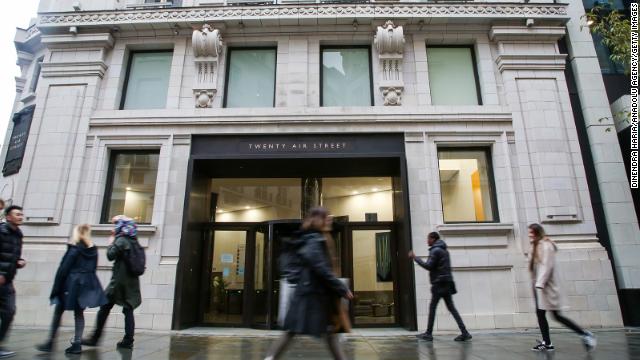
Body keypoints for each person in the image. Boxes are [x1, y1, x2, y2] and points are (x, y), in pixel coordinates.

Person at [265, 207, 354, 360]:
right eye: (327, 217)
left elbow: (323, 268)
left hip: (315, 295)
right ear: (318, 219)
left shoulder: (318, 238)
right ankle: (270, 358)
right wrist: (341, 288)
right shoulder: (314, 240)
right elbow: (321, 268)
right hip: (310, 296)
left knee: (329, 333)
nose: (330, 219)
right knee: (294, 331)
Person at [36, 224, 107, 354]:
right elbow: (93, 268)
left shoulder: (74, 249)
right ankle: (77, 343)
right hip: (87, 283)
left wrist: (56, 289)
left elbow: (63, 270)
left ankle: (50, 342)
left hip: (71, 284)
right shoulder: (93, 250)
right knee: (79, 313)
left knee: (59, 311)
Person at [528, 223, 596, 352]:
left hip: (546, 288)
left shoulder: (546, 246)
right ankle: (547, 342)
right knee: (541, 314)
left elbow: (546, 266)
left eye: (531, 232)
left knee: (556, 316)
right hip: (539, 286)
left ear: (537, 232)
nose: (529, 235)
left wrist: (539, 283)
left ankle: (585, 334)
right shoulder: (536, 245)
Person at [82, 216, 142, 350]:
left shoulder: (121, 240)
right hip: (131, 281)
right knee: (128, 309)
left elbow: (110, 256)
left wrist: (111, 242)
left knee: (104, 307)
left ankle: (95, 338)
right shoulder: (134, 240)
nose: (113, 227)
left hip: (119, 282)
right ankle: (128, 340)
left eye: (115, 224)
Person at [409, 231, 471, 342]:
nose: (427, 241)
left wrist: (415, 257)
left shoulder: (435, 250)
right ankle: (464, 332)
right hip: (446, 282)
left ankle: (428, 333)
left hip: (439, 284)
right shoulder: (444, 250)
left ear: (433, 239)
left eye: (428, 238)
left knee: (433, 308)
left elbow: (428, 266)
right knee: (451, 308)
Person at [0, 205, 25, 358]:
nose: (21, 217)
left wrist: (19, 261)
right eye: (17, 214)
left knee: (9, 311)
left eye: (22, 214)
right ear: (8, 217)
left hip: (7, 281)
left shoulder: (18, 234)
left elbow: (10, 255)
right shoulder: (1, 232)